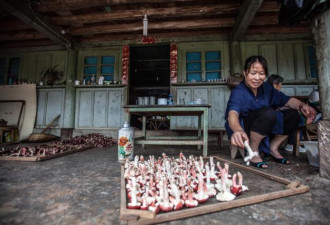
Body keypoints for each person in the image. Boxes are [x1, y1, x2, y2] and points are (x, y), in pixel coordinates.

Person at [225, 56, 316, 168]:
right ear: (245, 73)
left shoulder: (267, 88)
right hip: (245, 128)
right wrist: (237, 130)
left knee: (293, 115)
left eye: (261, 73)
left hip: (264, 126)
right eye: (253, 73)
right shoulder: (239, 91)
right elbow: (232, 114)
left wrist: (302, 105)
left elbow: (286, 100)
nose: (257, 78)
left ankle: (273, 147)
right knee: (268, 113)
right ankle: (254, 150)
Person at [266, 74, 306, 153]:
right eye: (280, 85)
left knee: (296, 116)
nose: (281, 87)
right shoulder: (272, 92)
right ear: (275, 84)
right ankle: (291, 144)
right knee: (297, 119)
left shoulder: (273, 92)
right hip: (268, 118)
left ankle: (289, 144)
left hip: (269, 116)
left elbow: (283, 102)